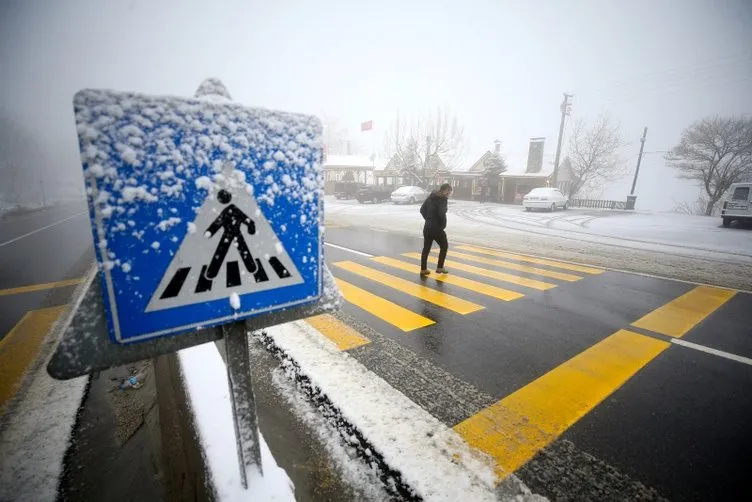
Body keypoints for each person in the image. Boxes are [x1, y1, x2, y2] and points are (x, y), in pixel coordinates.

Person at [419, 183, 452, 277]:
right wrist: (442, 225)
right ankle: (440, 267)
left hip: (427, 227)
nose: (449, 193)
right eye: (449, 191)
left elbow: (422, 209)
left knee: (426, 248)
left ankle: (423, 269)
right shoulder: (443, 199)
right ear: (445, 190)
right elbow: (441, 213)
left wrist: (428, 219)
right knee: (444, 246)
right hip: (437, 227)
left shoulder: (431, 196)